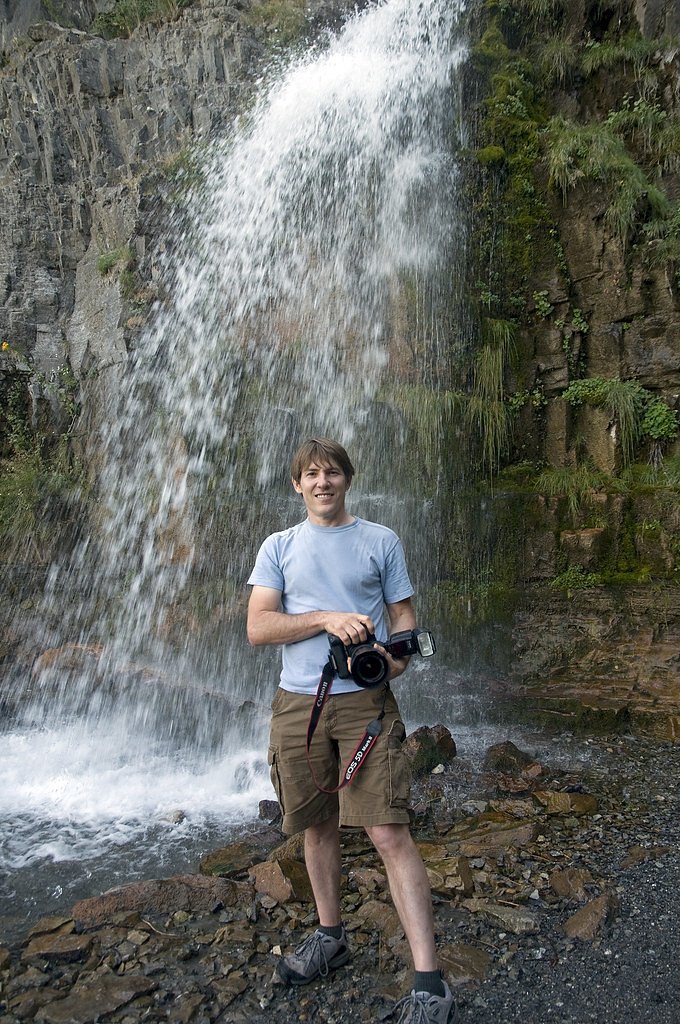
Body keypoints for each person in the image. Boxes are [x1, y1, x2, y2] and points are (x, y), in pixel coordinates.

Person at [246, 437, 454, 1023]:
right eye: (311, 474)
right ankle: (330, 937)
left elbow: (405, 618)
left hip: (366, 704)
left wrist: (395, 660)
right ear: (296, 485)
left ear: (346, 481)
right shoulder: (278, 548)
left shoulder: (380, 540)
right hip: (298, 706)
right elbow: (258, 627)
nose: (322, 482)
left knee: (388, 832)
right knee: (316, 826)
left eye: (332, 473)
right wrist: (326, 619)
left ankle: (429, 983)